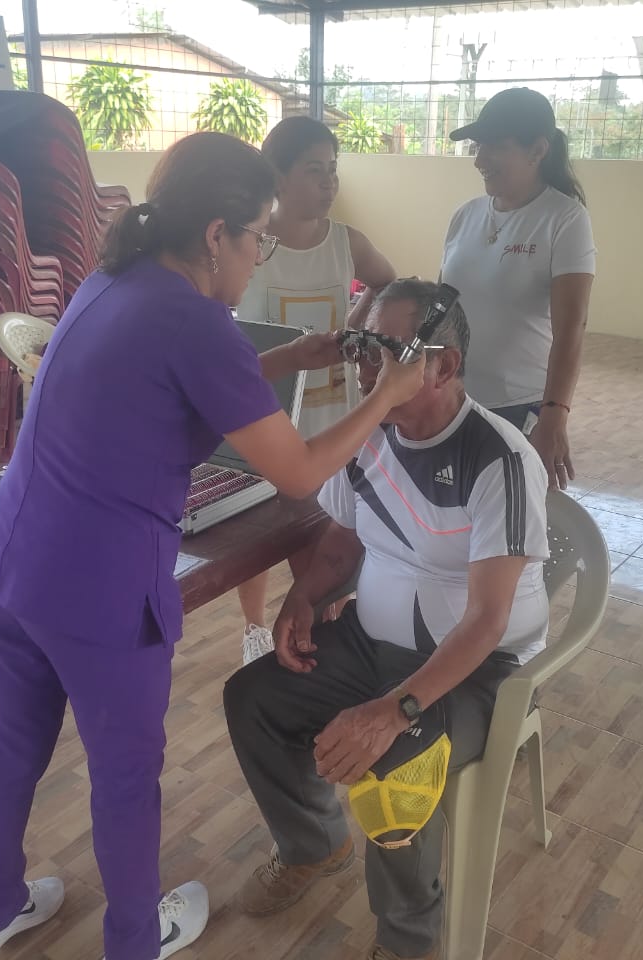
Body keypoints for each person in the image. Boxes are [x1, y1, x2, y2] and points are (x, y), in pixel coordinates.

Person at [0, 132, 425, 960]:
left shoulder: (112, 280)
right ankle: (134, 940)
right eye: (258, 237)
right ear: (215, 235)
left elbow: (172, 387)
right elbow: (299, 472)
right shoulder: (198, 322)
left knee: (11, 742)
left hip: (13, 563)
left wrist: (289, 356)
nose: (258, 255)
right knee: (125, 775)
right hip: (97, 595)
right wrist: (386, 396)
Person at [222, 279, 551, 960]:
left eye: (390, 351)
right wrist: (304, 596)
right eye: (363, 348)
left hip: (478, 672)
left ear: (444, 366)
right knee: (253, 697)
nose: (370, 370)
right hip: (372, 642)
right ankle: (314, 844)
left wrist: (393, 710)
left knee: (393, 769)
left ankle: (408, 942)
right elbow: (343, 540)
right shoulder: (368, 436)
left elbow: (487, 621)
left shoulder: (499, 459)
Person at [234, 116, 397, 662]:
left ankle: (326, 627)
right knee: (257, 532)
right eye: (313, 171)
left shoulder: (346, 242)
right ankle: (254, 628)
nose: (329, 183)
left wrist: (354, 325)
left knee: (332, 530)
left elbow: (388, 282)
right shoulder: (252, 244)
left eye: (333, 170)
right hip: (267, 416)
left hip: (332, 411)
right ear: (278, 177)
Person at [441, 87, 596, 491]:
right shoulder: (465, 215)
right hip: (453, 399)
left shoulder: (564, 219)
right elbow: (445, 308)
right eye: (478, 147)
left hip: (518, 407)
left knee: (511, 516)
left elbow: (572, 328)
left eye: (495, 147)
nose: (480, 160)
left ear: (538, 150)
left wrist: (554, 415)